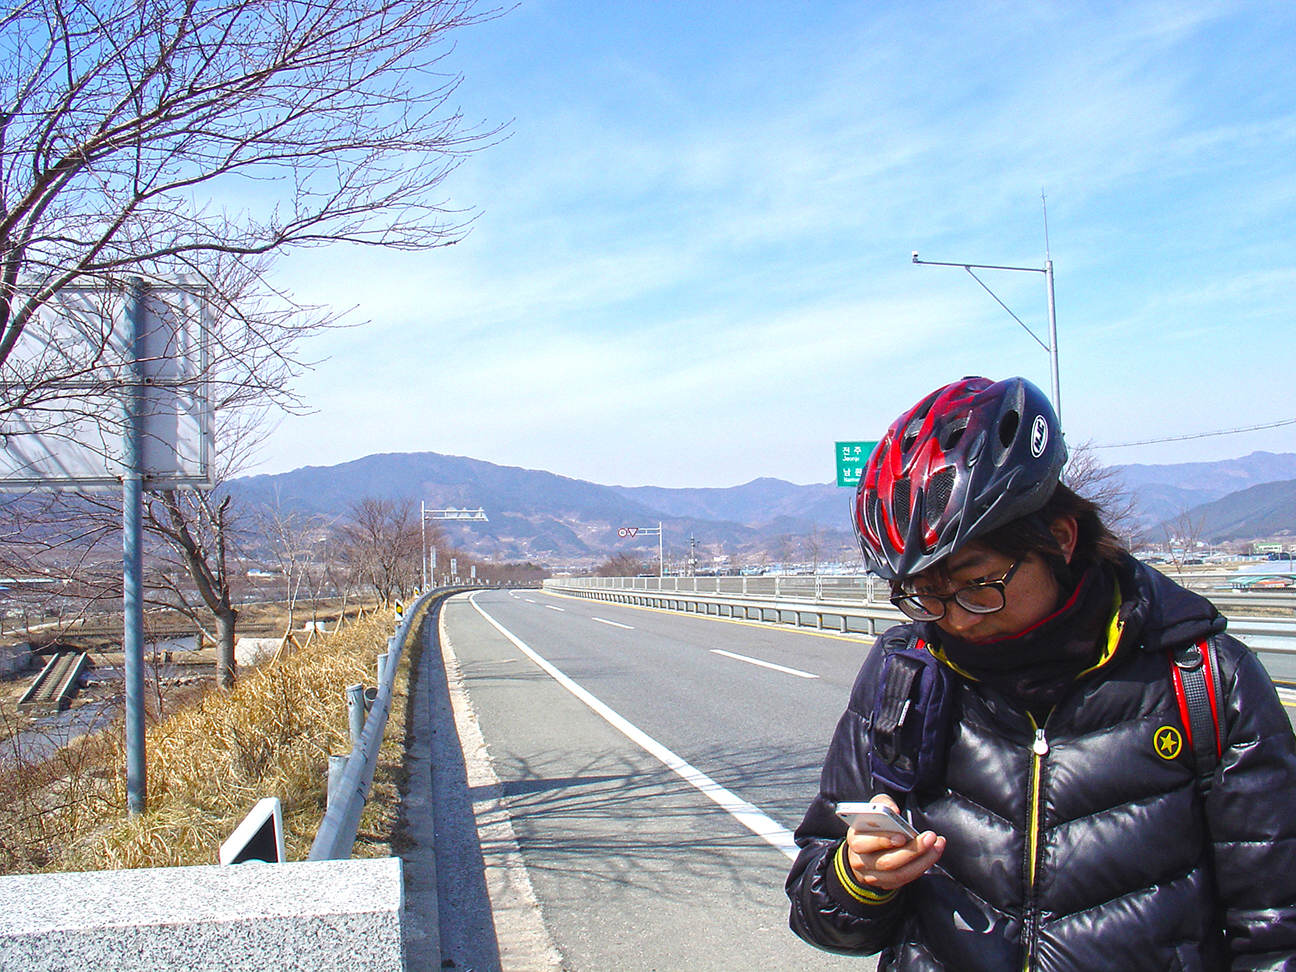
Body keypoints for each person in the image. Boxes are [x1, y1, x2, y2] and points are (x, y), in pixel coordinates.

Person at [786, 376, 1296, 971]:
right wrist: (857, 877)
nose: (952, 618)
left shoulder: (1204, 680)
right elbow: (817, 910)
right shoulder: (905, 676)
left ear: (1059, 537)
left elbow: (1276, 929)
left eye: (977, 583)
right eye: (922, 593)